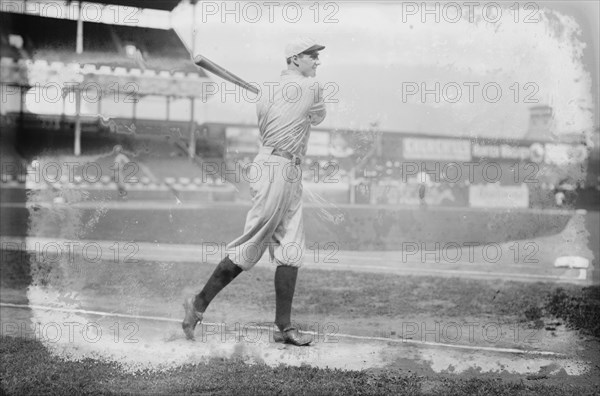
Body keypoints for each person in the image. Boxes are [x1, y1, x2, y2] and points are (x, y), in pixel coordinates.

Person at [182, 38, 327, 346]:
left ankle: (283, 327)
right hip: (276, 167)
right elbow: (319, 116)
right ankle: (197, 304)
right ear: (294, 58)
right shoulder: (312, 88)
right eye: (312, 56)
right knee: (252, 244)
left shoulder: (266, 92)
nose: (317, 61)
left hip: (285, 169)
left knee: (290, 248)